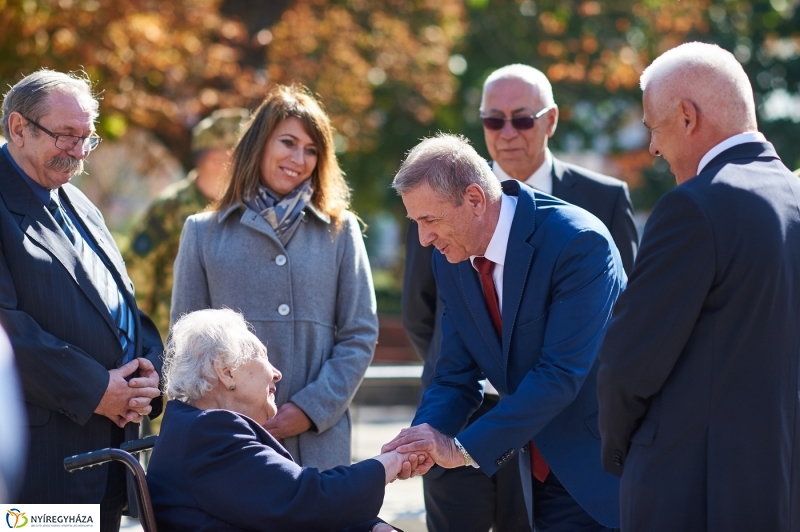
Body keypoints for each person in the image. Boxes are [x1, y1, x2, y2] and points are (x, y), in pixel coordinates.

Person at [402, 63, 638, 532]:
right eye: (416, 224)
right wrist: (424, 436)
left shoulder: (579, 242)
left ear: (473, 199)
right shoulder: (452, 255)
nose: (424, 239)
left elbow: (558, 375)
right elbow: (453, 375)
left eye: (430, 221)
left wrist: (464, 449)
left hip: (600, 472)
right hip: (529, 472)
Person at [596, 42, 800, 531]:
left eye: (654, 127)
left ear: (687, 116)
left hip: (690, 491)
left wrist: (622, 453)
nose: (653, 148)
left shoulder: (694, 207)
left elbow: (627, 361)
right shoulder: (793, 197)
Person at [172, 84, 378, 471]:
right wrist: (231, 412)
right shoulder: (202, 232)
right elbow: (185, 346)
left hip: (318, 440)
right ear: (259, 144)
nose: (299, 159)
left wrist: (309, 409)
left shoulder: (341, 230)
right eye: (288, 142)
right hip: (229, 443)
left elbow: (359, 333)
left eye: (312, 150)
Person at [0, 69, 163, 528]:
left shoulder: (79, 203)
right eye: (66, 135)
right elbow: (8, 330)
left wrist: (150, 371)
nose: (78, 152)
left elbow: (118, 304)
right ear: (18, 128)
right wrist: (98, 390)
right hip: (42, 470)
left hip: (110, 455)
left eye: (87, 139)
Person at [148, 308, 413, 531]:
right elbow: (304, 500)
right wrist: (390, 462)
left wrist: (370, 527)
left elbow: (285, 506)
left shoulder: (195, 429)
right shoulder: (209, 433)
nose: (277, 373)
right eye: (262, 356)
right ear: (226, 372)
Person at [124, 108, 250, 339]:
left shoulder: (248, 208)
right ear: (216, 160)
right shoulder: (170, 209)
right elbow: (137, 278)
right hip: (174, 347)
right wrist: (139, 342)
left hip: (230, 347)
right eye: (241, 156)